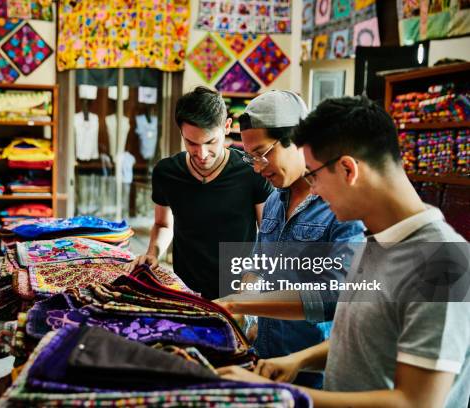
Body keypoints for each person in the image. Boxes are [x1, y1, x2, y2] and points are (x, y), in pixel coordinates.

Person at [217, 96, 470, 408]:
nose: (314, 191)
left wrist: (279, 395)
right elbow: (366, 339)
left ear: (348, 169)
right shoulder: (378, 241)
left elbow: (415, 402)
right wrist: (299, 360)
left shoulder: (441, 261)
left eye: (313, 176)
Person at [216, 91, 364, 389]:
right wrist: (244, 314)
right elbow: (257, 267)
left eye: (262, 153)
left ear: (297, 139)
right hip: (267, 358)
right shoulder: (273, 201)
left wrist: (241, 304)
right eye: (250, 157)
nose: (257, 167)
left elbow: (334, 297)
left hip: (315, 369)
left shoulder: (341, 207)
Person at [124, 86, 272, 299]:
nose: (201, 154)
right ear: (182, 133)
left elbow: (267, 235)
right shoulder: (167, 172)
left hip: (239, 290)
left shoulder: (252, 168)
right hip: (185, 288)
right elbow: (163, 224)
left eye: (210, 142)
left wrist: (252, 287)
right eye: (191, 143)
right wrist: (153, 253)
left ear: (227, 127)